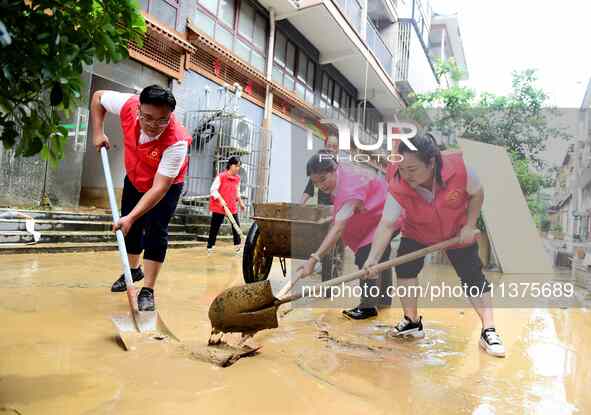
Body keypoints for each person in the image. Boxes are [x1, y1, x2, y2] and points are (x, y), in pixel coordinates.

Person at [363, 134, 505, 357]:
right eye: (401, 168)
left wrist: (469, 225)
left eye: (412, 169)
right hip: (417, 230)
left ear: (431, 162)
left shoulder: (461, 170)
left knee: (473, 276)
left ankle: (489, 330)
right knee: (405, 269)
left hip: (456, 231)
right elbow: (387, 224)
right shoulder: (398, 183)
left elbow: (477, 194)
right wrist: (372, 258)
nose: (406, 175)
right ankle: (412, 322)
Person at [91, 85, 191, 311]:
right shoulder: (128, 105)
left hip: (165, 184)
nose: (154, 125)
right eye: (147, 118)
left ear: (170, 115)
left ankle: (148, 290)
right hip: (135, 176)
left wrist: (132, 216)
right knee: (131, 227)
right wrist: (98, 131)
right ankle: (134, 270)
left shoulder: (177, 141)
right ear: (138, 109)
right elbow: (98, 97)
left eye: (162, 119)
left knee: (156, 229)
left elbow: (159, 188)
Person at [298, 152, 397, 319]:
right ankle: (383, 302)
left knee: (366, 254)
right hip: (380, 212)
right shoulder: (343, 173)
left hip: (387, 214)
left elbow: (338, 229)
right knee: (382, 256)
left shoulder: (349, 188)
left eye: (323, 179)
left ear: (335, 169)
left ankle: (367, 307)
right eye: (316, 183)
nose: (321, 186)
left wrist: (313, 259)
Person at [208, 156, 245, 256]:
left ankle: (237, 248)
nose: (238, 168)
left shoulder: (237, 179)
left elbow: (237, 191)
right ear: (230, 165)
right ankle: (210, 248)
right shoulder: (221, 176)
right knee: (214, 228)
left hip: (231, 206)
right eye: (236, 166)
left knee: (236, 226)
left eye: (239, 166)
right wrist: (221, 200)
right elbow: (213, 190)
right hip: (220, 206)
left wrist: (240, 202)